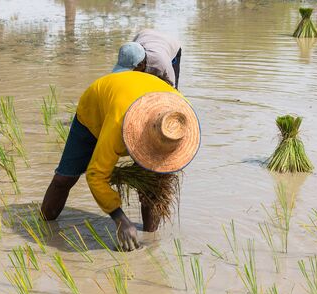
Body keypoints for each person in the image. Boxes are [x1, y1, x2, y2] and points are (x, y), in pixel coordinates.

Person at [41, 45, 200, 252]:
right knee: (65, 179)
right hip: (93, 115)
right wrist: (120, 219)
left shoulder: (179, 114)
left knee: (153, 185)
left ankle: (150, 241)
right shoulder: (117, 124)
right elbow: (96, 175)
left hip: (145, 119)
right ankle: (41, 226)